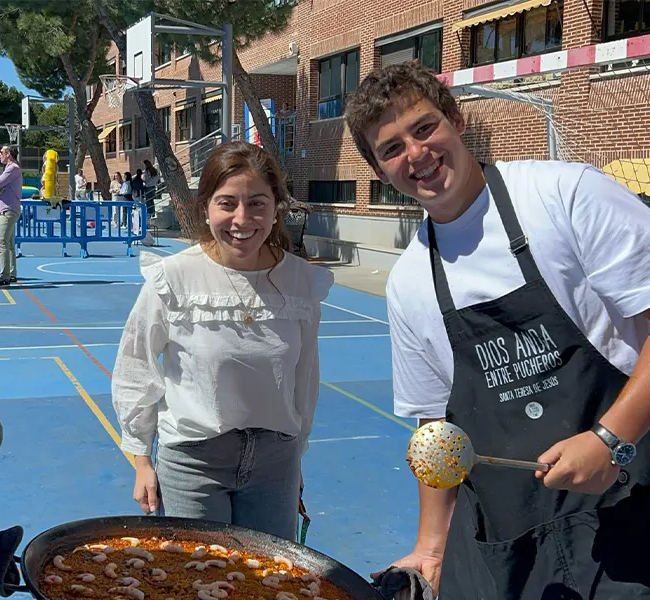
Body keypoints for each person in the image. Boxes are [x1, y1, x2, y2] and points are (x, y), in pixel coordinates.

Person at [344, 61, 650, 599]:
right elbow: (436, 431)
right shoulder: (411, 283)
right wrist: (431, 549)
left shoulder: (565, 195)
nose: (416, 155)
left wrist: (612, 439)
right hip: (508, 547)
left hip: (629, 512)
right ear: (379, 169)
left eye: (423, 128)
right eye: (391, 149)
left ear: (456, 120)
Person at [111, 141, 334, 540]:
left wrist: (295, 458)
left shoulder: (301, 283)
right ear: (206, 208)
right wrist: (142, 460)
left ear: (276, 207)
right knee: (198, 580)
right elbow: (135, 366)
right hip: (193, 461)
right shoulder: (174, 277)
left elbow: (305, 380)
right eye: (227, 203)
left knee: (268, 580)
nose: (242, 218)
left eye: (257, 203)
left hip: (275, 463)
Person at [0, 145, 22, 287]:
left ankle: (5, 276)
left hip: (7, 209)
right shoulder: (11, 169)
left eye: (2, 152)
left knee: (2, 242)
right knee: (8, 244)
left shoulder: (12, 168)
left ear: (9, 154)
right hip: (8, 209)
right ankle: (11, 273)